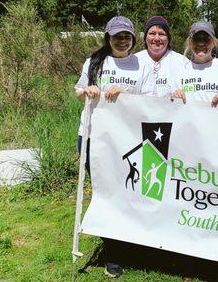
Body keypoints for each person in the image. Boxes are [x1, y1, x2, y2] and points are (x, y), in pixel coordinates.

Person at [74, 15, 148, 279]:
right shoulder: (94, 62)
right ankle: (113, 252)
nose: (122, 40)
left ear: (132, 38)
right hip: (93, 136)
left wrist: (126, 95)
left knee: (127, 192)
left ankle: (131, 242)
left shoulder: (141, 64)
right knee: (104, 193)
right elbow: (78, 91)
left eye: (126, 35)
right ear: (108, 37)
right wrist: (89, 91)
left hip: (127, 139)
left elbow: (150, 100)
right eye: (117, 35)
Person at [171, 20, 218, 107]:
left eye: (206, 39)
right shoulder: (179, 71)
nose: (201, 43)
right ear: (190, 42)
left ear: (214, 42)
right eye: (197, 39)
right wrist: (174, 96)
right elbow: (168, 106)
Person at [136, 16, 187, 97]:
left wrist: (181, 93)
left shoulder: (182, 62)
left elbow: (191, 90)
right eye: (152, 33)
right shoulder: (135, 60)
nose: (156, 38)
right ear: (145, 37)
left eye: (161, 34)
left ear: (168, 38)